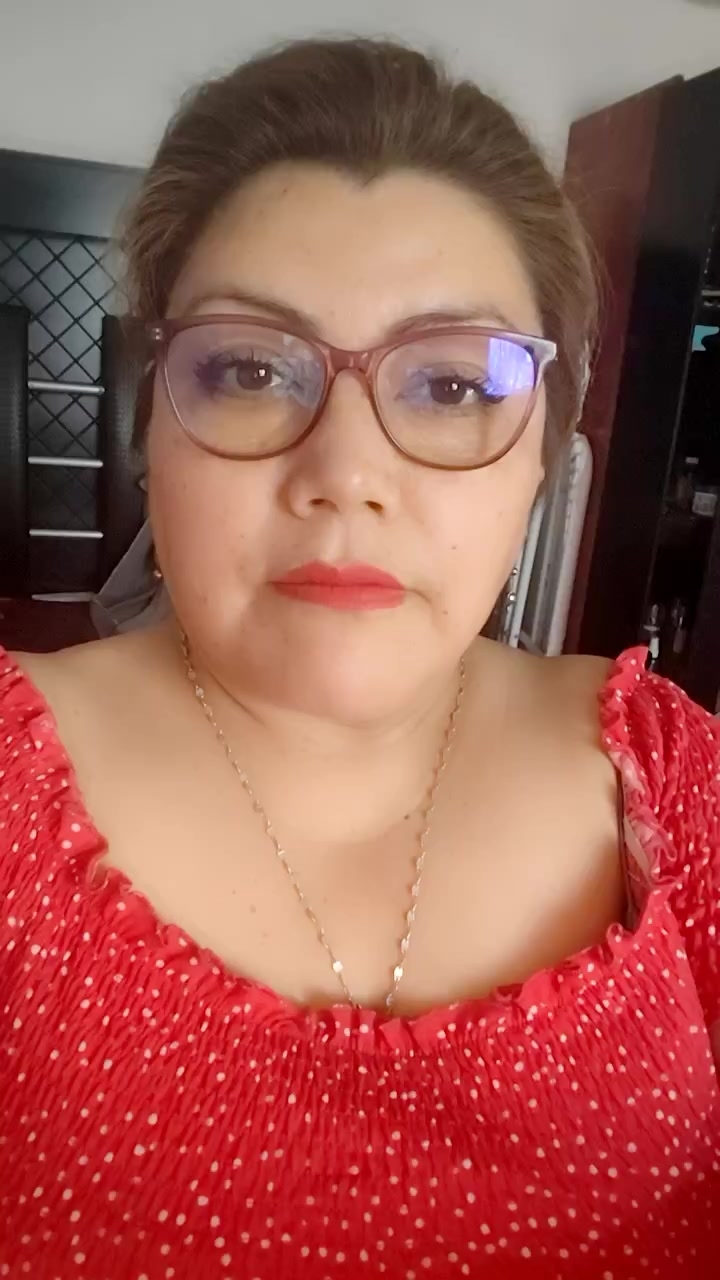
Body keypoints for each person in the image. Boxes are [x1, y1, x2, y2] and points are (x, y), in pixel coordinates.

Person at [1, 36, 718, 1280]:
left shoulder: (675, 778)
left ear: (543, 454)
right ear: (153, 424)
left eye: (452, 385)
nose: (346, 474)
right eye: (248, 368)